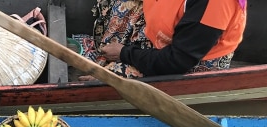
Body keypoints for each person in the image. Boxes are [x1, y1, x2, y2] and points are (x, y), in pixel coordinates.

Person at [79, 0, 247, 80]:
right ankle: (107, 53)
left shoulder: (215, 4)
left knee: (109, 81)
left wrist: (124, 53)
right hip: (166, 32)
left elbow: (176, 61)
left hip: (191, 60)